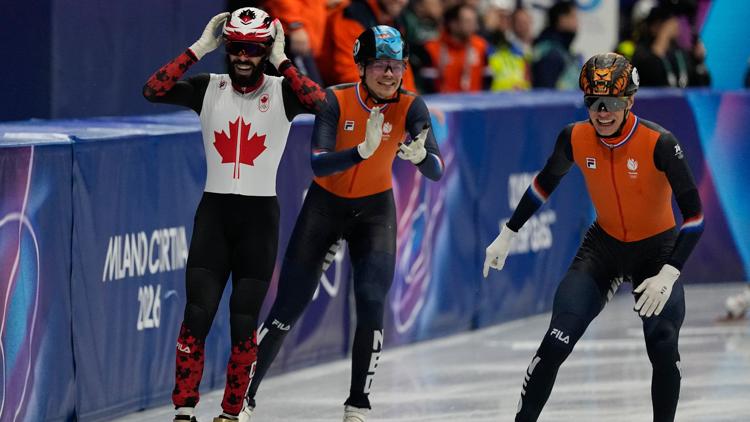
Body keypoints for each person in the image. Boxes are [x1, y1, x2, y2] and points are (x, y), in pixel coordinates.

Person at [484, 53, 704, 422]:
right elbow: (543, 184)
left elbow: (695, 216)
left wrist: (669, 271)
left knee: (663, 342)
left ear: (630, 101)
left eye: (612, 103)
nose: (602, 112)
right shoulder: (574, 136)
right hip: (604, 247)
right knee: (556, 340)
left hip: (657, 251)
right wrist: (508, 232)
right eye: (593, 102)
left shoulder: (660, 143)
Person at [239, 25, 443, 422]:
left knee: (371, 303)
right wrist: (361, 152)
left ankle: (357, 405)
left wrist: (421, 159)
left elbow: (435, 168)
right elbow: (318, 161)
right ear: (362, 66)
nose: (390, 74)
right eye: (381, 65)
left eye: (397, 66)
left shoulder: (412, 106)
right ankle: (242, 397)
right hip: (325, 206)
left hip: (375, 212)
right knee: (286, 307)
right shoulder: (335, 99)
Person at [142, 7, 326, 422]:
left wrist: (282, 59)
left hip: (259, 223)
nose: (243, 57)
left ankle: (230, 413)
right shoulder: (209, 86)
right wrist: (199, 49)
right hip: (215, 218)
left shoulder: (283, 91)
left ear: (264, 49)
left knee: (244, 323)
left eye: (253, 49)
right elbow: (152, 90)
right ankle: (184, 411)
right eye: (235, 48)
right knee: (197, 315)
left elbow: (323, 103)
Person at [531, 0, 580, 89]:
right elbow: (545, 95)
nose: (577, 22)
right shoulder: (550, 53)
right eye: (573, 17)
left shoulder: (564, 50)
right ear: (562, 19)